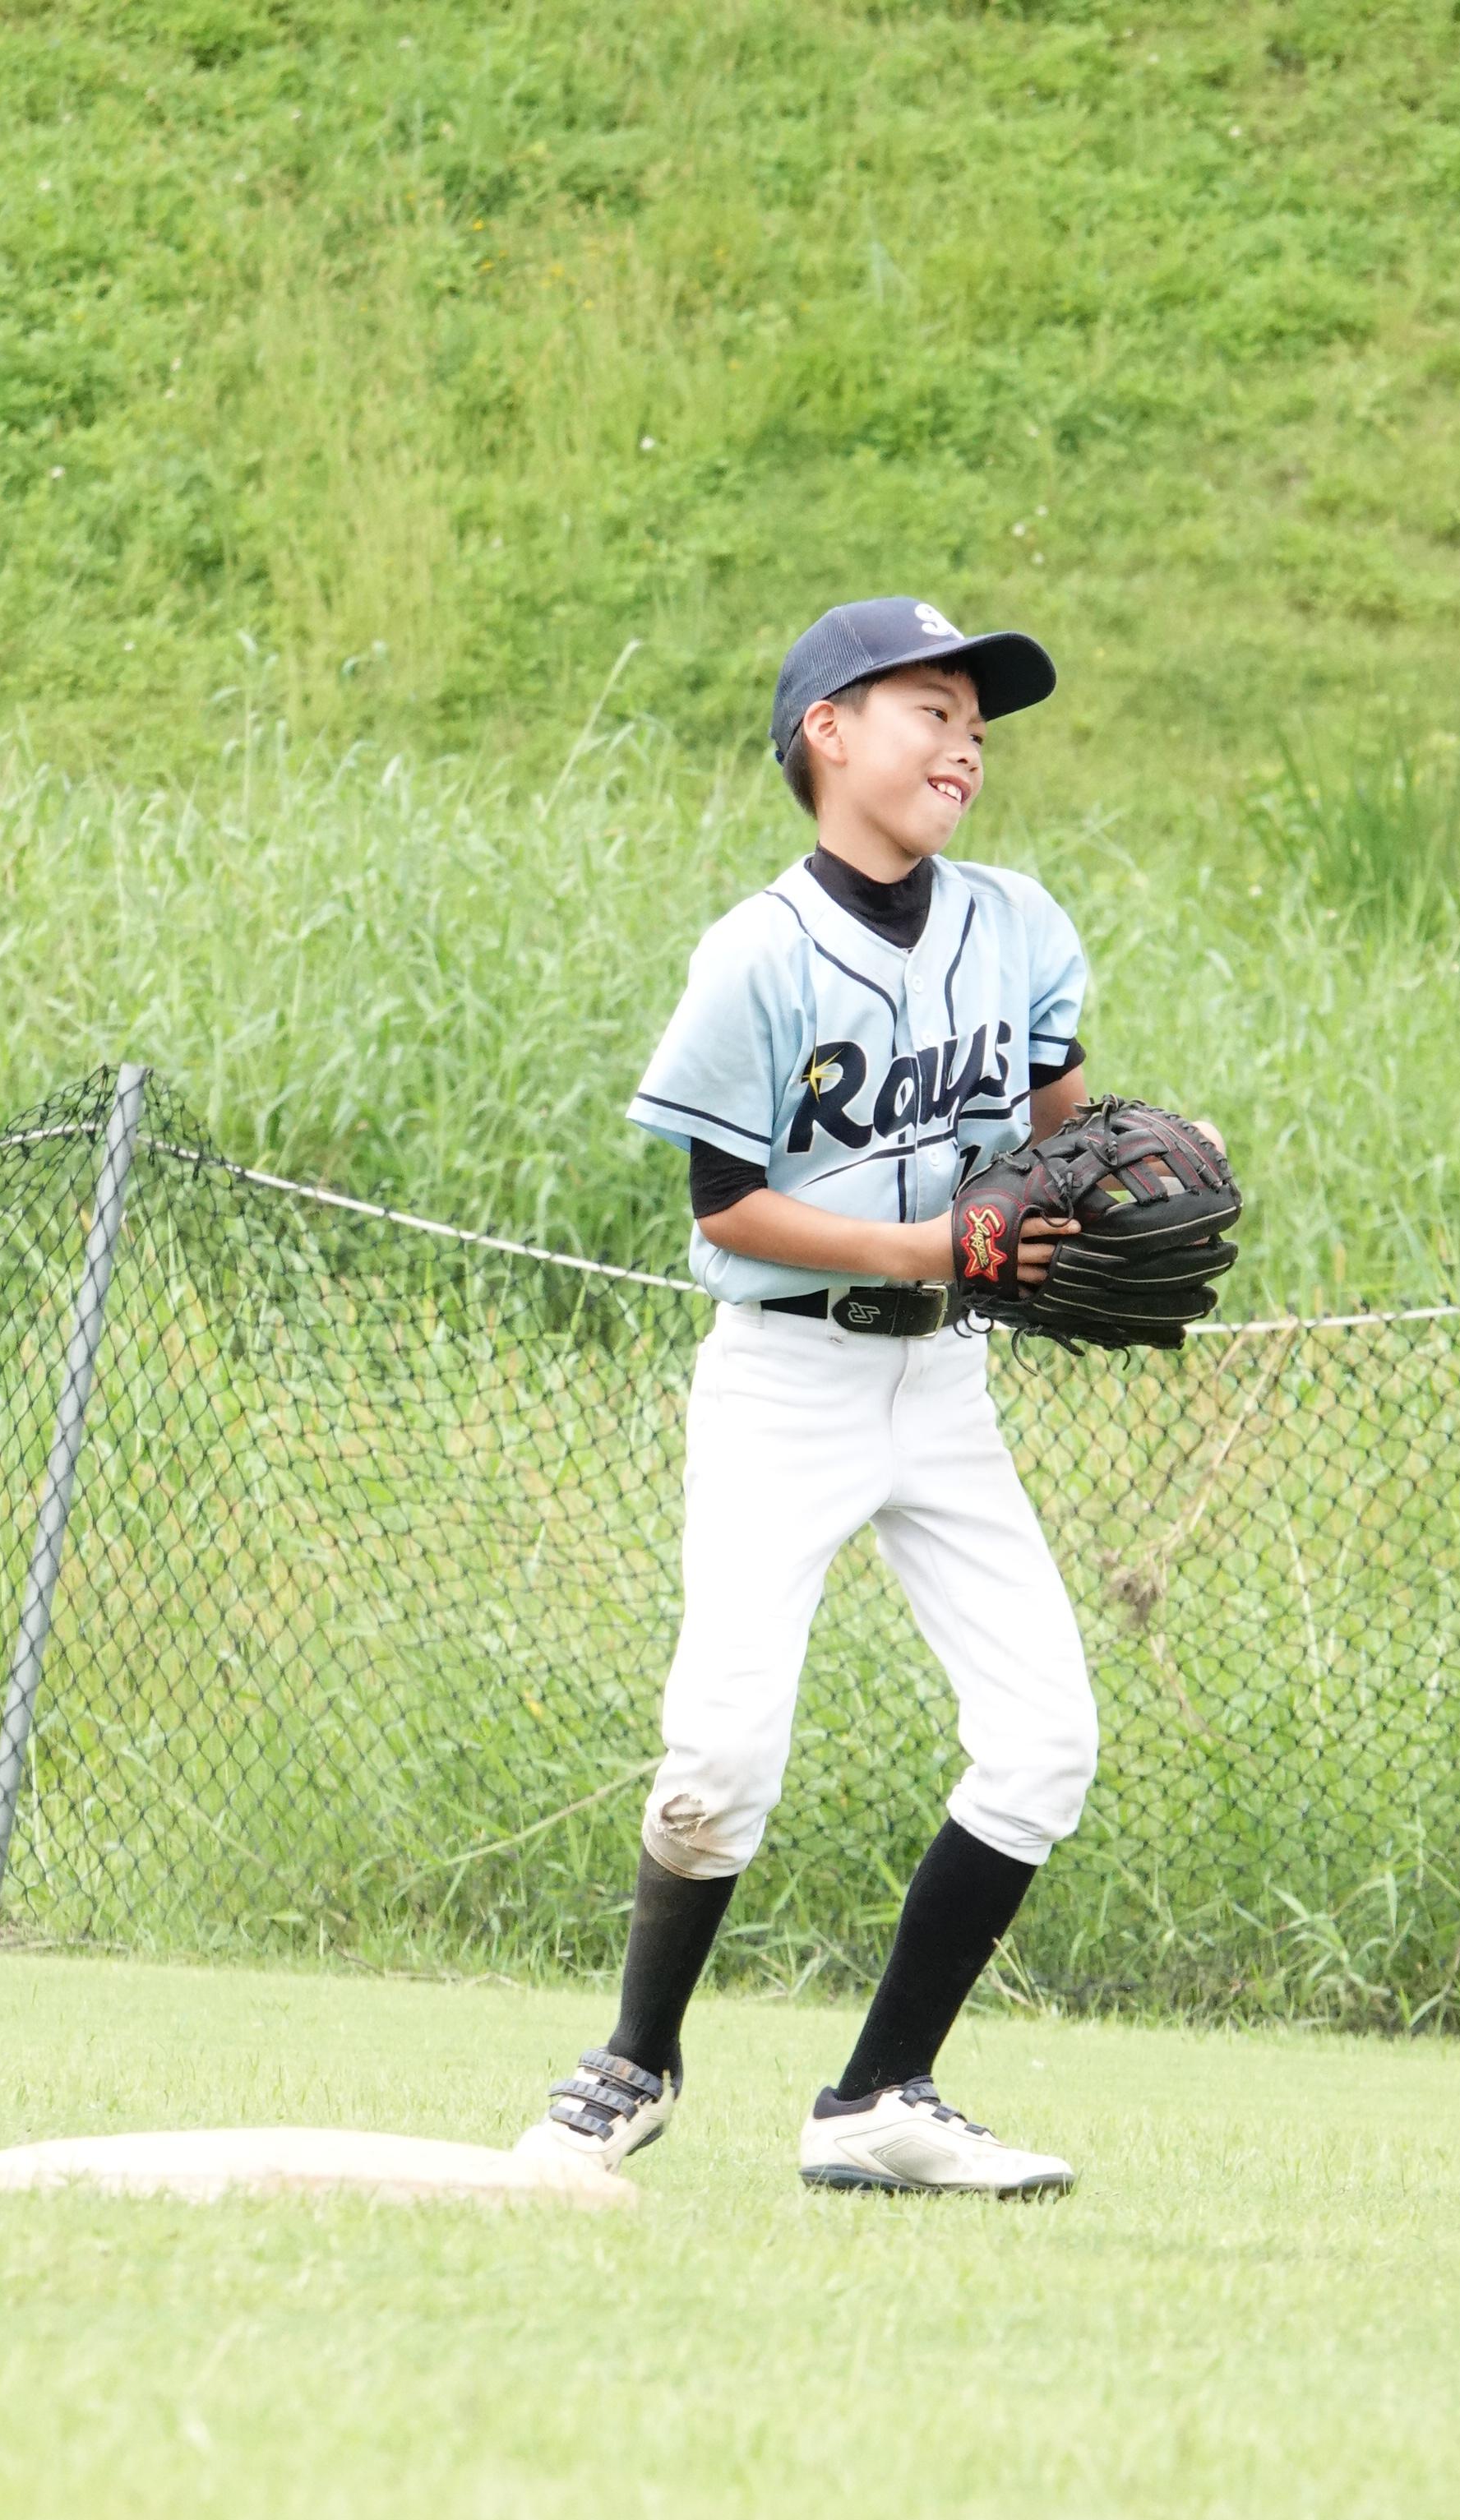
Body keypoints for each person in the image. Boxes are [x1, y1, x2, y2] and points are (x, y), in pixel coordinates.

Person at [517, 595, 1102, 2197]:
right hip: (788, 1377)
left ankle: (878, 2100)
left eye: (977, 724)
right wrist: (933, 1244)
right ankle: (635, 2062)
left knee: (1046, 1739)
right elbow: (727, 1209)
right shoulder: (759, 954)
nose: (966, 745)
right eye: (932, 710)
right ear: (827, 733)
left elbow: (1060, 1130)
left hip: (946, 1383)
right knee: (721, 1753)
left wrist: (1111, 1190)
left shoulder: (1020, 926)